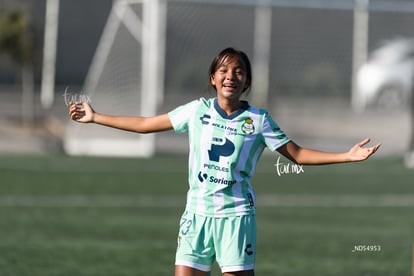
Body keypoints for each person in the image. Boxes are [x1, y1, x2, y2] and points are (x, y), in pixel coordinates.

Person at [68, 47, 381, 276]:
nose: (231, 76)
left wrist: (347, 156)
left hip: (236, 220)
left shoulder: (259, 121)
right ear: (213, 78)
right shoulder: (195, 111)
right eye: (225, 70)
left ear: (245, 83)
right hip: (196, 217)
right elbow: (145, 123)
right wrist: (97, 118)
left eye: (239, 72)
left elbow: (297, 154)